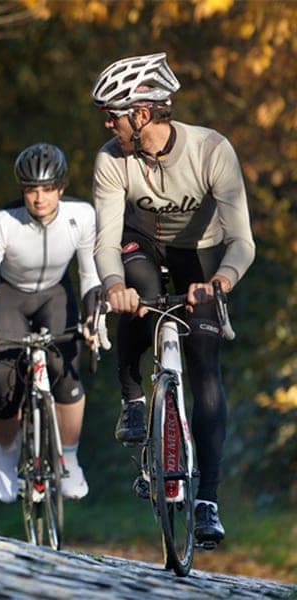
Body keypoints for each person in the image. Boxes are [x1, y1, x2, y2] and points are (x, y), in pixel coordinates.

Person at [90, 52, 255, 546]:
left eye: (113, 114)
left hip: (200, 256)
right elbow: (104, 241)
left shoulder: (211, 150)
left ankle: (208, 500)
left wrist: (222, 281)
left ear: (142, 114)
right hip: (140, 242)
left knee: (204, 359)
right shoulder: (111, 159)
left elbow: (243, 240)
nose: (107, 124)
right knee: (139, 293)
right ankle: (133, 395)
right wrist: (112, 285)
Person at [0, 143, 101, 504]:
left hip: (56, 295)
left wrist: (92, 319)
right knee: (3, 380)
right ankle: (7, 453)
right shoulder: (2, 222)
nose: (38, 198)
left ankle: (69, 457)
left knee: (66, 372)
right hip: (11, 295)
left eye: (46, 189)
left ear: (60, 187)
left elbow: (89, 275)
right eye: (30, 190)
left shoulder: (82, 215)